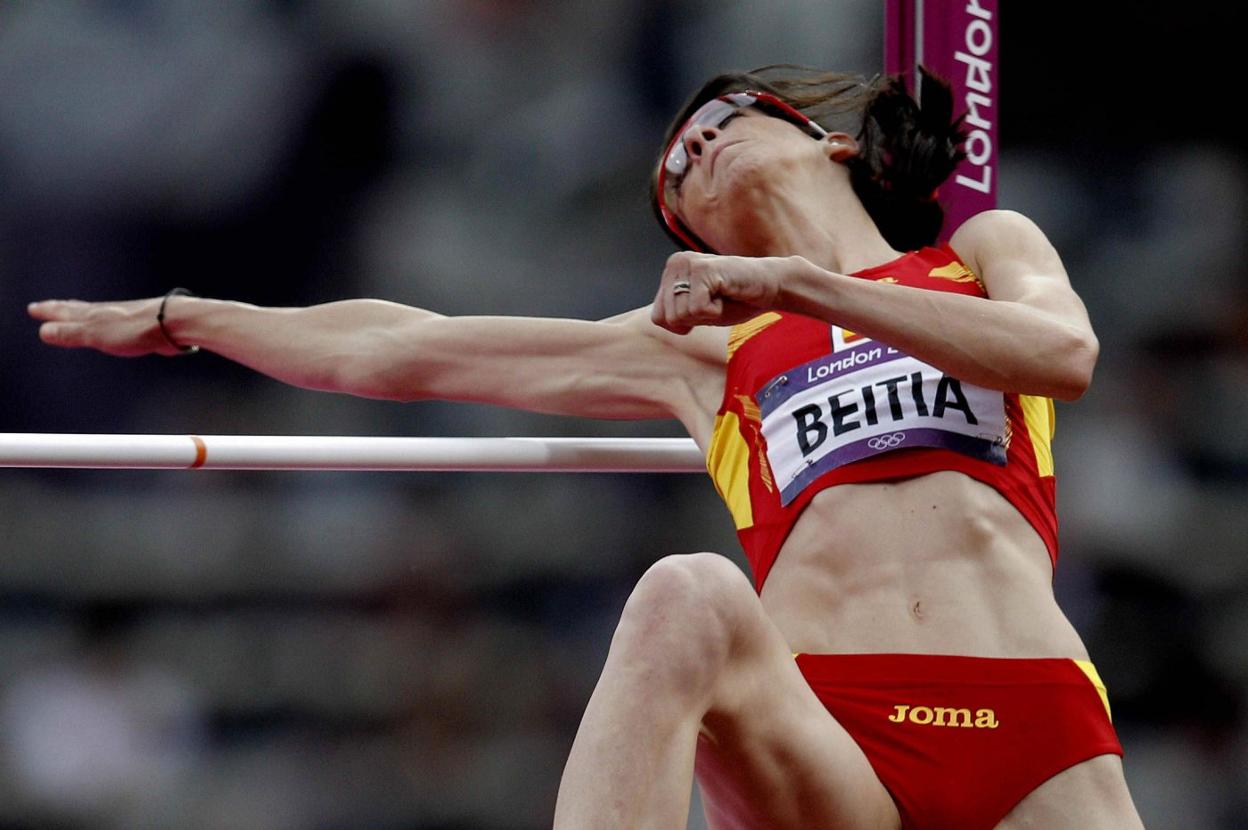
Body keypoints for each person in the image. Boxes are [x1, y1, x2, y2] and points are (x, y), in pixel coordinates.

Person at [28, 65, 1144, 829]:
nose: (693, 150)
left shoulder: (978, 253)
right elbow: (404, 346)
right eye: (674, 175)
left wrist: (804, 282)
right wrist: (189, 314)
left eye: (721, 120)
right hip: (830, 733)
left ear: (831, 136)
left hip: (1029, 713)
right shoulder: (703, 352)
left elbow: (1061, 349)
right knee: (687, 594)